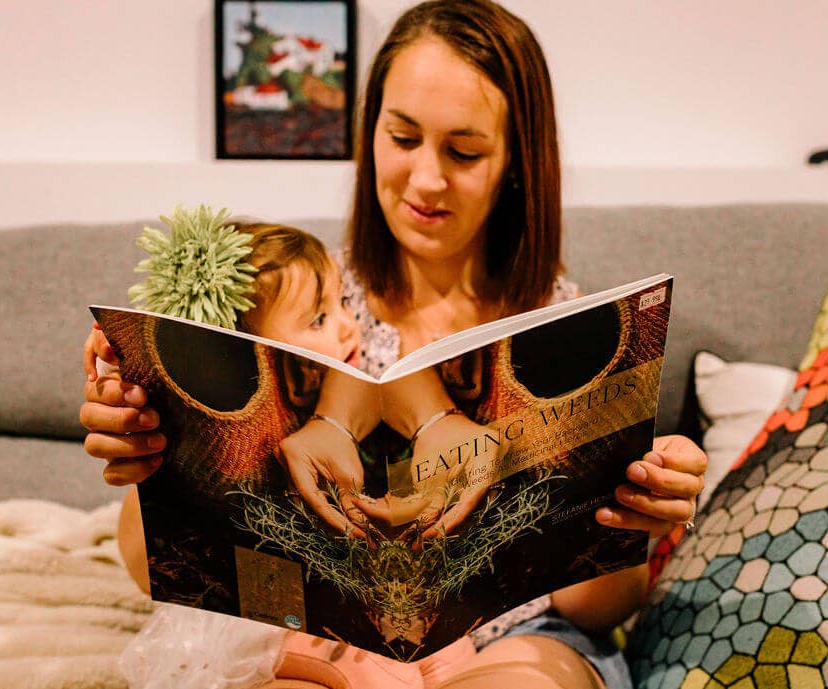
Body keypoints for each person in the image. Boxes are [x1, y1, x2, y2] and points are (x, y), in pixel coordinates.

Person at [81, 2, 707, 687]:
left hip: (515, 639)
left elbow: (594, 609)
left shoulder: (564, 332)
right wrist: (154, 441)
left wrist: (628, 518)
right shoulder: (299, 308)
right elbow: (158, 570)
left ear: (516, 160)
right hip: (322, 645)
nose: (427, 180)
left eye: (464, 152)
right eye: (403, 137)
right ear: (370, 129)